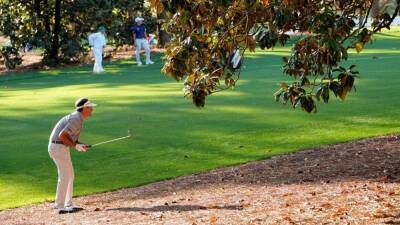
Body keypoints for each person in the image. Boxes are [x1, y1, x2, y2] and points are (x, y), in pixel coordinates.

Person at [48, 98, 96, 214]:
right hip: (58, 147)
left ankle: (67, 204)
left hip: (60, 147)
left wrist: (79, 144)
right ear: (84, 108)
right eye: (90, 107)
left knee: (69, 175)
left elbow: (69, 137)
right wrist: (75, 146)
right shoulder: (76, 119)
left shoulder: (78, 118)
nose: (92, 110)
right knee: (65, 176)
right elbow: (62, 136)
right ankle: (60, 206)